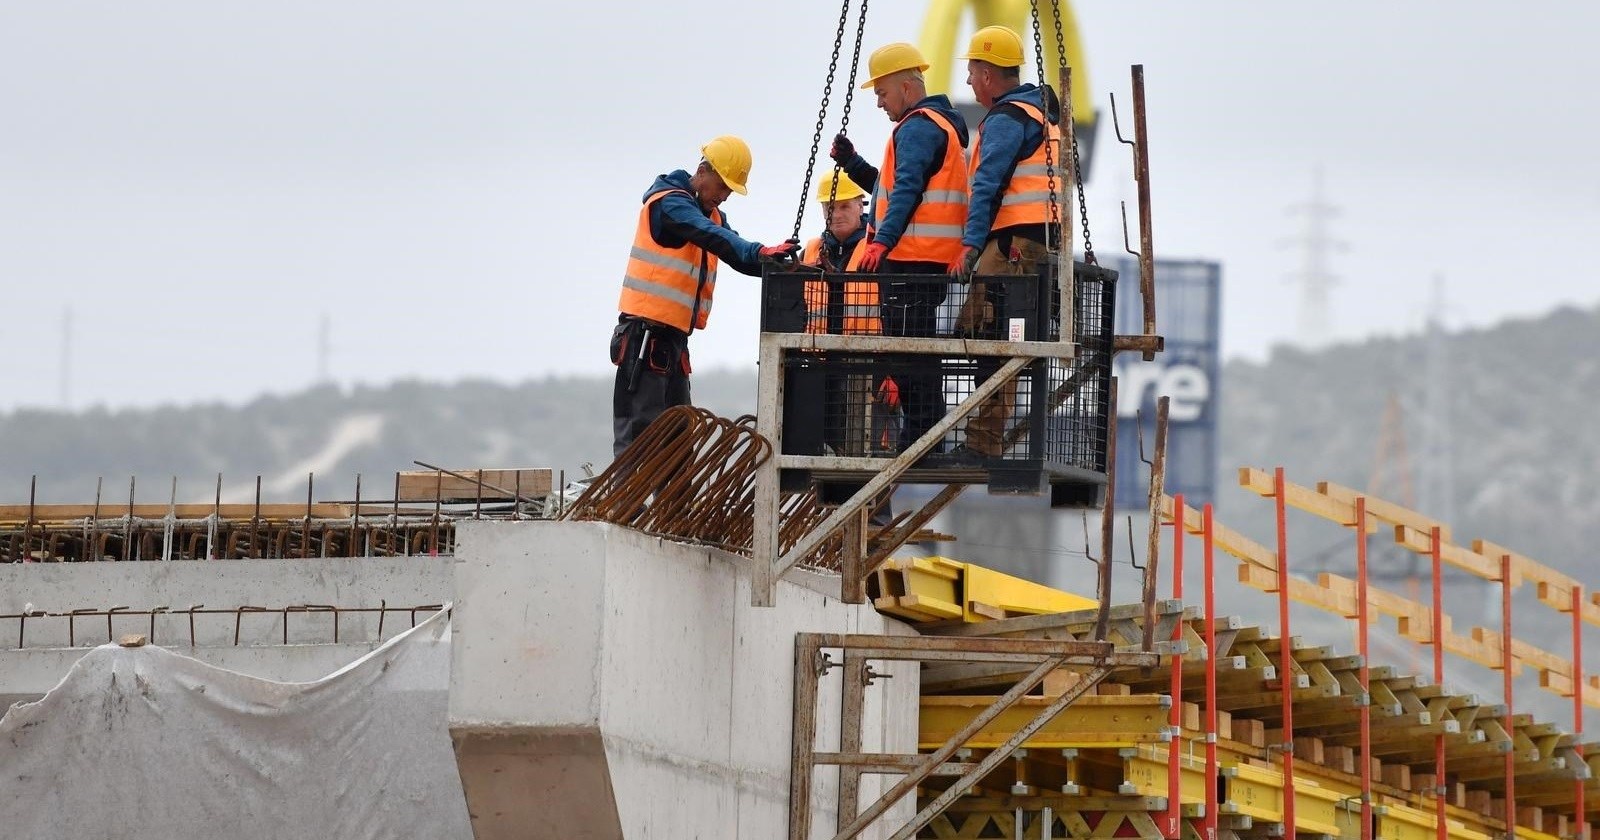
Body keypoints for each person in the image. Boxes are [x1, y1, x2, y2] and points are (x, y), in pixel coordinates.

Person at [611, 135, 799, 456]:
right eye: (722, 186)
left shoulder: (709, 215)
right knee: (638, 441)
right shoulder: (670, 205)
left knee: (677, 445)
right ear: (702, 171)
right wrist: (760, 251)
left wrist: (778, 264)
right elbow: (716, 238)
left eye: (729, 190)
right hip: (643, 340)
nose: (725, 197)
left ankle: (673, 508)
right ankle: (628, 508)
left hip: (672, 346)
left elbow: (735, 250)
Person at [828, 42, 970, 454]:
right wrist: (853, 163)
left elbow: (906, 189)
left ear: (907, 88)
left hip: (912, 259)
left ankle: (924, 440)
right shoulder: (934, 127)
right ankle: (924, 438)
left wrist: (882, 242)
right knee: (914, 353)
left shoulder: (919, 126)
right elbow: (891, 188)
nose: (878, 102)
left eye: (882, 93)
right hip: (924, 258)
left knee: (911, 358)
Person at [952, 25, 1065, 458]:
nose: (967, 82)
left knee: (991, 336)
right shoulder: (1041, 114)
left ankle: (982, 443)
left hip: (1012, 249)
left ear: (986, 74)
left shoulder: (1006, 119)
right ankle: (985, 440)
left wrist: (971, 245)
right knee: (1009, 340)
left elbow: (988, 186)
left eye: (971, 73)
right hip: (1036, 245)